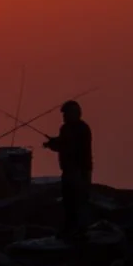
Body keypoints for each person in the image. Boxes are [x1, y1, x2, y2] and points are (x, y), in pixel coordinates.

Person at [44, 100, 93, 242]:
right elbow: (63, 142)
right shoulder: (65, 128)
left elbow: (69, 146)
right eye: (63, 114)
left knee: (78, 201)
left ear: (76, 113)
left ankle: (80, 232)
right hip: (68, 171)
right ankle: (70, 229)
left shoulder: (82, 129)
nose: (64, 117)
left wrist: (55, 144)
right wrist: (53, 143)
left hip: (80, 171)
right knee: (68, 201)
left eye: (66, 114)